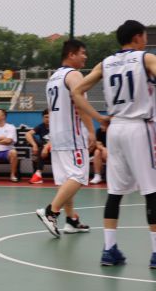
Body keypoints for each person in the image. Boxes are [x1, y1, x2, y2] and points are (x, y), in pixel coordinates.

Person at [71, 20, 156, 267]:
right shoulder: (145, 58)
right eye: (144, 36)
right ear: (138, 37)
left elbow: (76, 92)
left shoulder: (105, 63)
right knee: (151, 189)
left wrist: (99, 118)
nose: (146, 41)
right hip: (139, 126)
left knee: (115, 192)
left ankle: (109, 249)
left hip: (115, 127)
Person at [36, 39, 95, 238]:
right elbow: (80, 104)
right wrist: (91, 131)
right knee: (79, 175)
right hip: (73, 135)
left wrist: (51, 138)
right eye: (82, 53)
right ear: (71, 54)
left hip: (58, 135)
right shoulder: (74, 75)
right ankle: (51, 212)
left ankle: (71, 220)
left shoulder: (53, 78)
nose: (85, 56)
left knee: (67, 180)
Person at [25, 109, 51, 184]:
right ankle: (38, 174)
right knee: (36, 144)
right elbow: (28, 134)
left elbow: (56, 139)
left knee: (42, 147)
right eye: (46, 117)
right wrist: (34, 145)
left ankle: (38, 174)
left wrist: (46, 147)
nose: (48, 119)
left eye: (49, 117)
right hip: (43, 151)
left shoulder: (57, 127)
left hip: (55, 150)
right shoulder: (41, 126)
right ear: (43, 118)